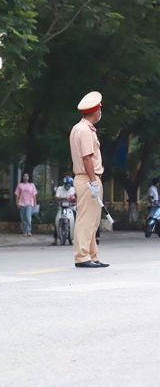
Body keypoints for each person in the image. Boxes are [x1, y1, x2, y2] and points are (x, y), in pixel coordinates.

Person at [69, 91, 109, 268]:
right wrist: (93, 181)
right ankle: (82, 257)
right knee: (86, 219)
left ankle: (92, 255)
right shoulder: (85, 130)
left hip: (87, 178)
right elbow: (87, 158)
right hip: (88, 178)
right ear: (96, 111)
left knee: (93, 220)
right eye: (100, 110)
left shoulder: (80, 128)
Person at [52, 176, 76, 245]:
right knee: (56, 221)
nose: (67, 186)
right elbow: (56, 197)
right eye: (66, 185)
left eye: (69, 185)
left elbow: (77, 197)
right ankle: (55, 239)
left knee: (76, 220)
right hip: (61, 208)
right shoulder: (60, 188)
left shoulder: (74, 189)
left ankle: (75, 238)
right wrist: (64, 198)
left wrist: (74, 200)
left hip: (71, 208)